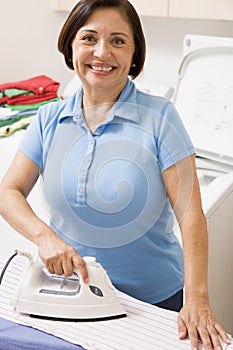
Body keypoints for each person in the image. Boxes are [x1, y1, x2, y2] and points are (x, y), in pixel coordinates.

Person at [0, 0, 231, 349]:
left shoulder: (160, 118)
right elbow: (9, 191)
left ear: (134, 53)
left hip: (151, 301)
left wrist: (196, 299)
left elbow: (190, 213)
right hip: (73, 293)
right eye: (89, 38)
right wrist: (44, 237)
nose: (102, 52)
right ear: (71, 46)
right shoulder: (49, 119)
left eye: (119, 41)